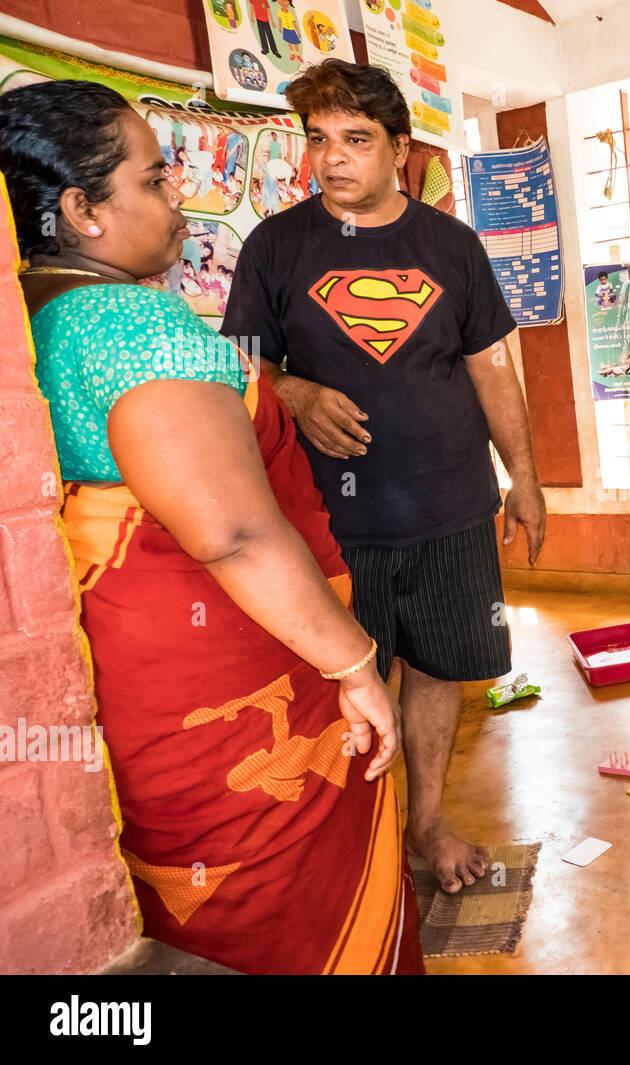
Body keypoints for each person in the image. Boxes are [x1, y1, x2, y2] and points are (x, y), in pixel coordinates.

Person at [2, 79, 420, 974]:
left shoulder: (31, 318)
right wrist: (353, 665)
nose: (178, 197)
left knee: (203, 903)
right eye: (154, 181)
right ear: (82, 209)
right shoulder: (133, 324)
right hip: (239, 685)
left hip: (145, 692)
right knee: (295, 889)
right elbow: (232, 532)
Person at [223, 60, 545, 895]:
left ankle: (428, 821)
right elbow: (236, 372)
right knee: (339, 677)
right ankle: (353, 859)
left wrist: (527, 480)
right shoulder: (275, 246)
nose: (333, 159)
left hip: (450, 508)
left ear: (400, 150)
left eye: (356, 140)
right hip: (328, 523)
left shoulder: (451, 246)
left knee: (439, 669)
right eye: (319, 140)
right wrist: (290, 389)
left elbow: (491, 372)